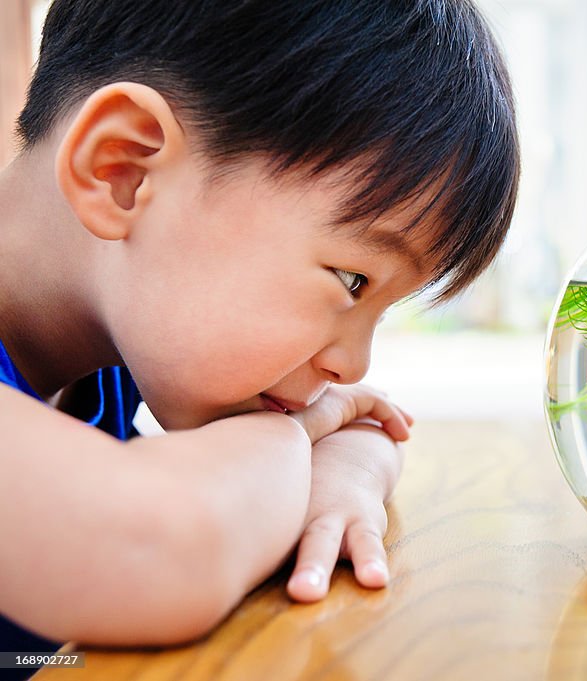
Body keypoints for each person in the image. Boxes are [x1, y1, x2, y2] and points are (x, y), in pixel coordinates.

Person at [0, 0, 519, 666]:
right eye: (352, 280)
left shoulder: (112, 343)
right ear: (123, 170)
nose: (353, 368)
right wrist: (294, 438)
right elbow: (164, 549)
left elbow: (365, 428)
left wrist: (348, 465)